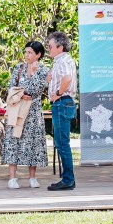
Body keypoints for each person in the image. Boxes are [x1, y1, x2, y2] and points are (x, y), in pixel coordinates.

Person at [1, 42, 49, 189]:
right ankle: (12, 178)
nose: (27, 55)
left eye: (30, 52)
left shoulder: (43, 70)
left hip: (33, 112)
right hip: (17, 109)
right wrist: (21, 94)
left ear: (38, 55)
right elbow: (10, 86)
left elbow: (37, 90)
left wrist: (33, 74)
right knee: (13, 141)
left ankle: (32, 177)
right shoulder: (19, 67)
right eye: (26, 52)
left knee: (33, 142)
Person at [45, 32, 78, 191]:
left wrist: (58, 94)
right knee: (61, 142)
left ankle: (68, 180)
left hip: (62, 102)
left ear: (60, 46)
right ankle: (68, 179)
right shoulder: (61, 61)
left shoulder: (64, 60)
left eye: (50, 46)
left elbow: (67, 78)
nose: (48, 49)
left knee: (62, 143)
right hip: (63, 103)